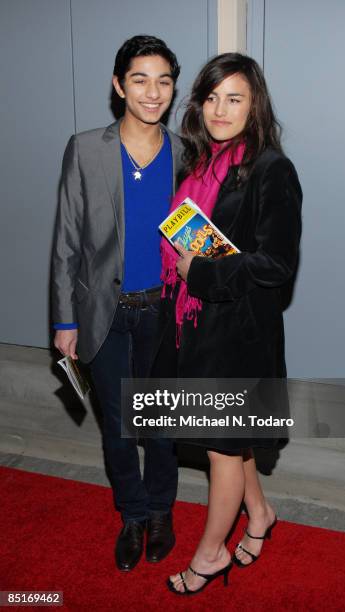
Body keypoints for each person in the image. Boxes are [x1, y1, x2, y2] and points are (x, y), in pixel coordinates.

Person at [153, 52, 302, 594]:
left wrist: (206, 273)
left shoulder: (271, 169)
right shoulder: (198, 164)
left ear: (254, 104)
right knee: (233, 444)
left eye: (234, 98)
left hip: (240, 336)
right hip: (199, 328)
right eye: (211, 97)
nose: (220, 109)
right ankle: (258, 514)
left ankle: (209, 554)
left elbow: (277, 263)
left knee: (221, 448)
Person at [51, 35, 183, 572]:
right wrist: (63, 320)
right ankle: (132, 514)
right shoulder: (85, 148)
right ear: (118, 85)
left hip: (166, 310)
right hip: (103, 311)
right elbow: (66, 240)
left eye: (164, 81)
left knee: (163, 422)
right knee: (119, 425)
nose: (153, 93)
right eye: (140, 79)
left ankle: (160, 513)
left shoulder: (188, 151)